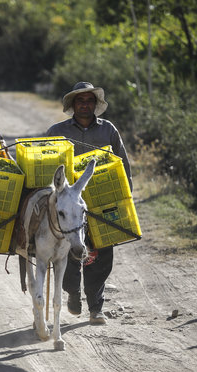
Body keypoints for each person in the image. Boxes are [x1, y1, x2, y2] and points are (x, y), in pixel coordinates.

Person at [46, 81, 133, 325]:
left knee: (101, 254)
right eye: (80, 101)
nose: (85, 105)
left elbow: (123, 163)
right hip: (70, 206)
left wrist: (128, 198)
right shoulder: (57, 131)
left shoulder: (108, 131)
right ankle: (73, 292)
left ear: (96, 104)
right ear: (72, 105)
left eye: (89, 101)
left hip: (103, 201)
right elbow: (46, 164)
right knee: (68, 250)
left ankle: (96, 308)